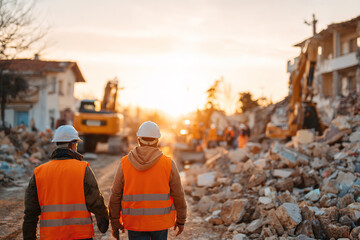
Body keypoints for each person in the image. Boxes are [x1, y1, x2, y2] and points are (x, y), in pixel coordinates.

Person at [23, 125, 109, 240]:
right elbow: (96, 201)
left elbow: (30, 212)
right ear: (73, 145)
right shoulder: (82, 169)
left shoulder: (39, 172)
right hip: (80, 235)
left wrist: (29, 237)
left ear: (56, 144)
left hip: (51, 236)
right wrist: (103, 222)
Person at [109, 121, 187, 240]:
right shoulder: (168, 164)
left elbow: (115, 195)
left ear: (139, 140)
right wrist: (181, 221)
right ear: (157, 141)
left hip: (135, 223)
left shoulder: (125, 163)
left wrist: (115, 223)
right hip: (160, 223)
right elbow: (178, 195)